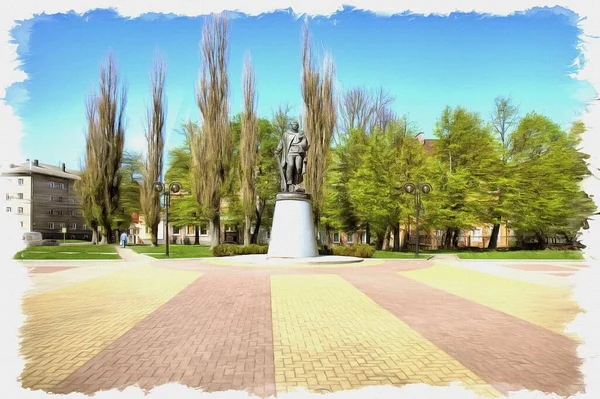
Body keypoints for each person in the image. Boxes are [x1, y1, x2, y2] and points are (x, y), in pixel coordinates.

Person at [274, 121, 309, 192]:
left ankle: (296, 183)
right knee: (290, 165)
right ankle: (289, 182)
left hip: (298, 153)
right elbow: (282, 142)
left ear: (298, 126)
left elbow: (305, 146)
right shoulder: (286, 134)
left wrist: (303, 138)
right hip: (290, 153)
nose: (295, 125)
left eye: (296, 125)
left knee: (298, 168)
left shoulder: (301, 134)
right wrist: (278, 150)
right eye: (294, 124)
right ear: (291, 126)